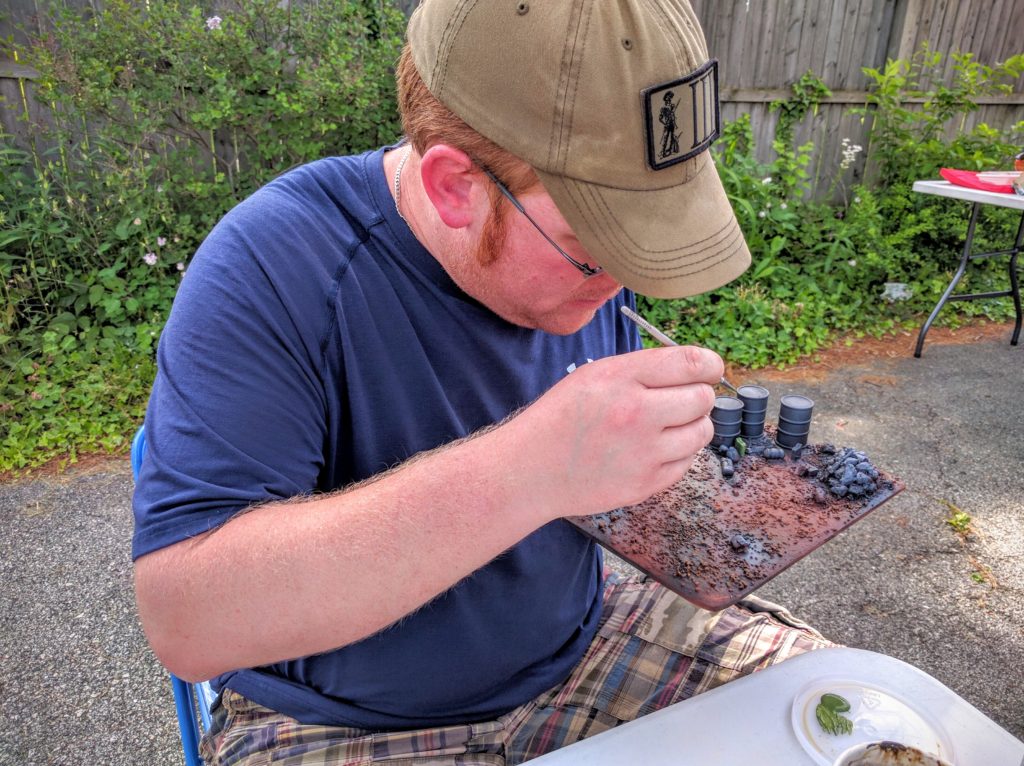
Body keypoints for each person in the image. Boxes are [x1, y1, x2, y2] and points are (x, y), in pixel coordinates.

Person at [132, 1, 832, 763]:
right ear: (455, 187)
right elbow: (188, 623)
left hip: (589, 641)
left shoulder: (567, 243)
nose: (628, 280)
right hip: (344, 719)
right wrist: (532, 468)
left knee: (841, 714)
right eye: (596, 247)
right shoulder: (274, 266)